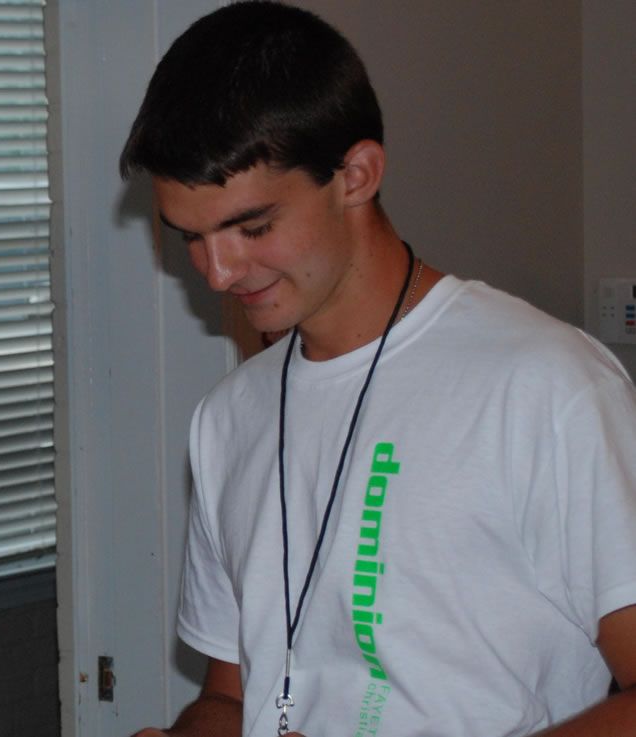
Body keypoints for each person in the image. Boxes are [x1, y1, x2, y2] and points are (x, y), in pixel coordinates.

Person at [119, 2, 636, 736]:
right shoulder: (229, 419)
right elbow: (234, 696)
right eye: (190, 238)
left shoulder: (548, 386)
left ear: (356, 173)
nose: (218, 271)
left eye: (253, 226)